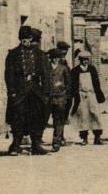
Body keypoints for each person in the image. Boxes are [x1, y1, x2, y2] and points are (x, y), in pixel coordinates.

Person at [4, 26, 50, 155]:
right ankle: (15, 145)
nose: (26, 40)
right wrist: (12, 91)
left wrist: (46, 93)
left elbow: (46, 75)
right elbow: (9, 75)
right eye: (23, 38)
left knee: (36, 118)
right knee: (17, 118)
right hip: (19, 91)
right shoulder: (13, 54)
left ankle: (36, 145)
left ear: (31, 38)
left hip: (35, 91)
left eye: (28, 37)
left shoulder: (40, 54)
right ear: (20, 38)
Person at [69, 50, 106, 145]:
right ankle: (84, 138)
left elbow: (97, 83)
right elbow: (73, 85)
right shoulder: (75, 71)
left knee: (95, 115)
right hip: (81, 96)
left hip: (92, 95)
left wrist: (99, 95)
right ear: (80, 60)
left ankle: (97, 137)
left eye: (87, 60)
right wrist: (75, 95)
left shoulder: (92, 69)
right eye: (83, 60)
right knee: (83, 116)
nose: (85, 61)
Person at [46, 42, 71, 151]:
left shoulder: (63, 68)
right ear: (50, 58)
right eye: (53, 58)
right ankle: (36, 141)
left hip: (60, 98)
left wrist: (64, 93)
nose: (55, 60)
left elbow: (68, 83)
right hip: (48, 98)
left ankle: (56, 142)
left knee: (58, 120)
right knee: (43, 119)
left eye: (57, 57)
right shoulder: (46, 68)